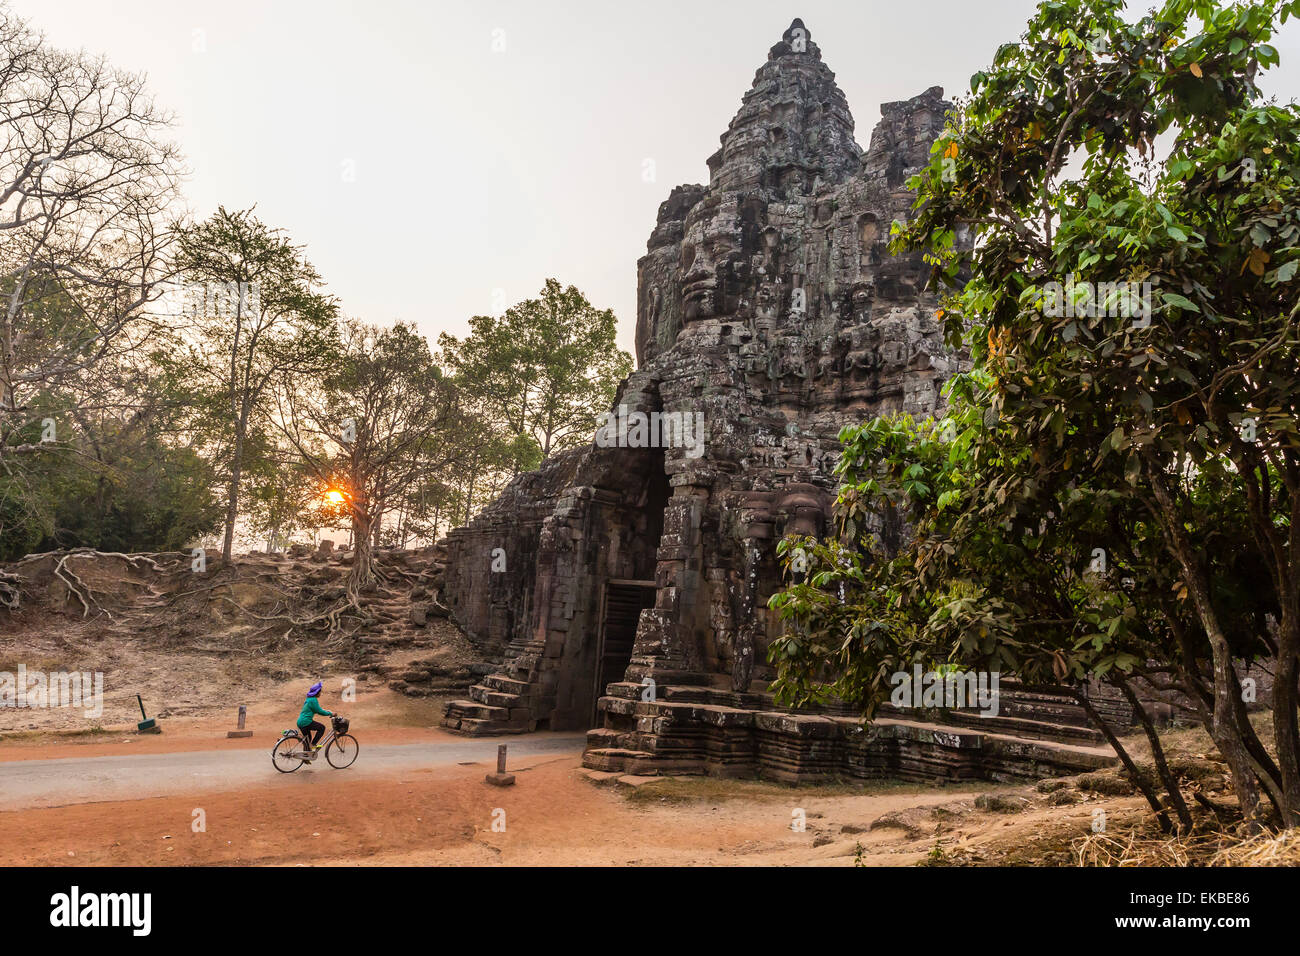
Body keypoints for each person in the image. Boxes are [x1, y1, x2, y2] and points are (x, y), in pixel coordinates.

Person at [297, 682, 333, 759]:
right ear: (317, 692)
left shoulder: (309, 699)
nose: (320, 693)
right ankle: (313, 745)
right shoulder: (313, 700)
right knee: (322, 728)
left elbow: (317, 709)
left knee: (307, 741)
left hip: (300, 721)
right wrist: (330, 714)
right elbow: (319, 711)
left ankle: (306, 757)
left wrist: (327, 711)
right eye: (320, 691)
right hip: (306, 722)